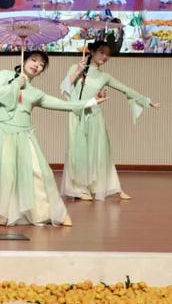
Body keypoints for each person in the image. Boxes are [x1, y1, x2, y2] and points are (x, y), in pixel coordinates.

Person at [0, 51, 108, 227]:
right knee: (6, 174)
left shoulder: (35, 93)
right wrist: (16, 84)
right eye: (34, 60)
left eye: (41, 65)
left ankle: (52, 213)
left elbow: (63, 104)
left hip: (24, 133)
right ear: (24, 60)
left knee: (41, 173)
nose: (36, 65)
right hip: (1, 130)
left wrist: (92, 101)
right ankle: (1, 214)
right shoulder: (6, 75)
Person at [60, 41, 159, 201]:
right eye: (101, 52)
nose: (105, 56)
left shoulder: (104, 76)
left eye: (108, 54)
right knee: (78, 152)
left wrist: (146, 101)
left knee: (100, 152)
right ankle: (79, 189)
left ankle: (112, 187)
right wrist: (78, 71)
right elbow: (64, 87)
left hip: (95, 115)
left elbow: (125, 89)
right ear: (92, 51)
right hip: (77, 114)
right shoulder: (76, 67)